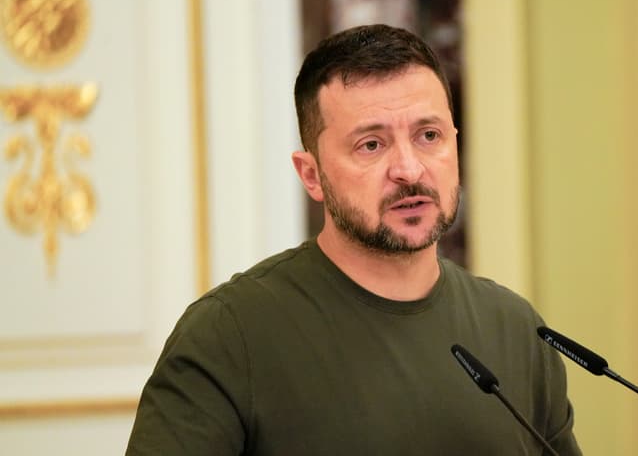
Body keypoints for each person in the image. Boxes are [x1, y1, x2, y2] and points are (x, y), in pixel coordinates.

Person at [126, 24, 581, 456]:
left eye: (429, 136)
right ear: (311, 175)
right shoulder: (228, 334)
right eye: (371, 145)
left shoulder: (516, 329)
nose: (409, 169)